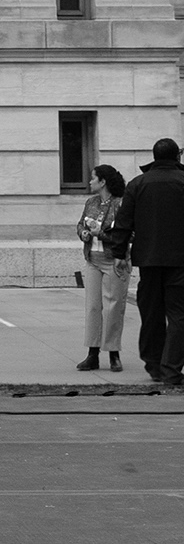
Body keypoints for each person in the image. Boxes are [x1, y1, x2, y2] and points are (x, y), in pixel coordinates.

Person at [102, 137, 184, 389]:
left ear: (155, 156)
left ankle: (154, 364)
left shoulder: (138, 184)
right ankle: (171, 369)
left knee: (151, 312)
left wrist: (118, 254)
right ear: (177, 157)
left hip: (148, 259)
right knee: (179, 314)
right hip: (180, 260)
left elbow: (124, 222)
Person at [77, 164, 129, 373]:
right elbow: (80, 224)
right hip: (93, 260)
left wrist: (101, 234)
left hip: (114, 260)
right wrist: (84, 233)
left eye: (93, 178)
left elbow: (128, 234)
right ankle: (92, 354)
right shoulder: (91, 202)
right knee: (93, 306)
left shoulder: (121, 204)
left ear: (103, 182)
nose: (90, 182)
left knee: (114, 307)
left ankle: (114, 353)